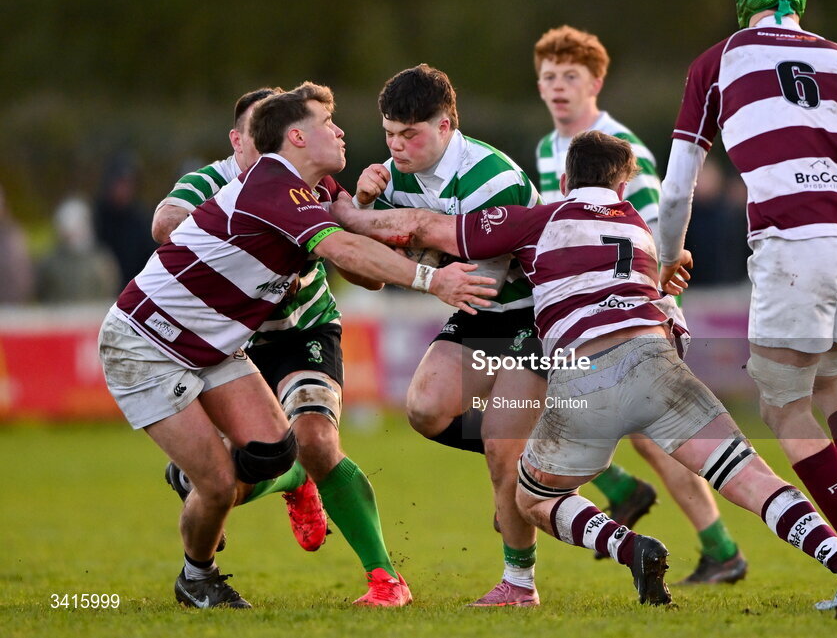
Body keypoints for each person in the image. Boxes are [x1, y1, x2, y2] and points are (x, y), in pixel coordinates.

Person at [333, 130, 837, 609]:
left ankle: (626, 544)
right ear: (622, 184)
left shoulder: (539, 218)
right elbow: (655, 292)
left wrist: (347, 214)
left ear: (564, 180)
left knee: (532, 497)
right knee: (751, 479)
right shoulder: (640, 231)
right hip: (660, 364)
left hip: (587, 373)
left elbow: (422, 229)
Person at [98, 82, 496, 609]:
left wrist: (422, 223)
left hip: (222, 344)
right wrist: (432, 279)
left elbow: (359, 233)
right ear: (295, 137)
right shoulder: (271, 187)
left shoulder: (314, 185)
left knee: (278, 449)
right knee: (217, 483)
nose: (340, 130)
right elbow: (345, 246)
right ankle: (198, 576)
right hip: (147, 342)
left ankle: (252, 484)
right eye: (327, 123)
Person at [657, 0, 837, 602]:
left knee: (783, 402)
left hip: (792, 238)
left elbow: (674, 191)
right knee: (834, 381)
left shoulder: (717, 62)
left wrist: (668, 255)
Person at [151, 87, 415, 606]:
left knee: (316, 440)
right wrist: (254, 260)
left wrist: (360, 220)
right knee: (233, 474)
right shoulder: (212, 180)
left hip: (305, 331)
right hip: (236, 344)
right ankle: (287, 481)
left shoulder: (315, 184)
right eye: (258, 134)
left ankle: (387, 580)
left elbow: (366, 277)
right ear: (238, 140)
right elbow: (164, 223)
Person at [533, 25, 747, 584]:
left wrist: (656, 307)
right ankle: (699, 535)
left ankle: (709, 540)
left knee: (655, 434)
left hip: (630, 312)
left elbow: (650, 236)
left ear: (595, 82)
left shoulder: (622, 151)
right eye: (549, 77)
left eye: (570, 77)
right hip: (583, 315)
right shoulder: (545, 149)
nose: (558, 88)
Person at [354, 63, 551, 606]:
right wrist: (367, 209)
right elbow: (368, 272)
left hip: (530, 315)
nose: (397, 147)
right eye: (390, 134)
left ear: (446, 126)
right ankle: (532, 460)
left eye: (410, 135)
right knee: (424, 408)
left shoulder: (492, 176)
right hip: (480, 312)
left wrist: (397, 244)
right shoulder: (390, 180)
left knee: (500, 452)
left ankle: (520, 585)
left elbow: (476, 284)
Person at [36, 196, 120, 303]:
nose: (72, 234)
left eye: (77, 225)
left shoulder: (102, 262)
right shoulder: (49, 263)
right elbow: (43, 294)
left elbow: (109, 291)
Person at [93, 152, 157, 288]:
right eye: (119, 183)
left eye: (128, 184)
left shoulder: (142, 221)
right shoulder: (95, 217)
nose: (123, 190)